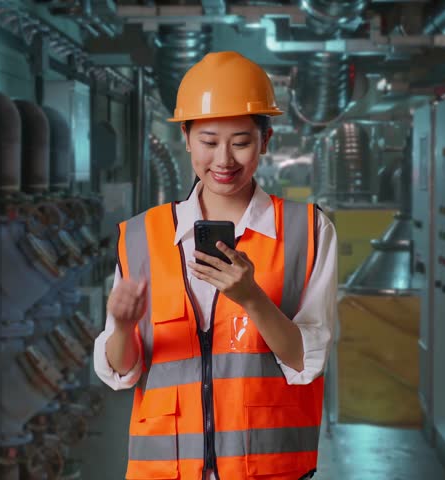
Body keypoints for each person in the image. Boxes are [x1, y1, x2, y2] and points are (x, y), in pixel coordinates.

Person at [93, 51, 338, 480]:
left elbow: (306, 362)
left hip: (264, 471)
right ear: (185, 137)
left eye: (241, 141)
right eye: (208, 141)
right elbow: (123, 370)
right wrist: (122, 325)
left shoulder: (308, 231)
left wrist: (252, 299)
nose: (223, 160)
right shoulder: (140, 237)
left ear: (266, 140)